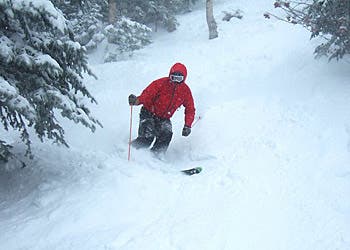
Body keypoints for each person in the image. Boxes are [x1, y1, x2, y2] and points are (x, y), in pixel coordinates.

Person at [128, 62, 196, 154]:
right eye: (173, 77)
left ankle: (155, 156)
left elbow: (190, 109)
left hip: (164, 118)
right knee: (147, 137)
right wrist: (137, 101)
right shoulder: (161, 83)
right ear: (169, 75)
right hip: (148, 113)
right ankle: (129, 151)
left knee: (167, 134)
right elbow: (147, 95)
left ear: (184, 78)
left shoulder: (185, 91)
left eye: (179, 78)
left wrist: (187, 125)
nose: (176, 81)